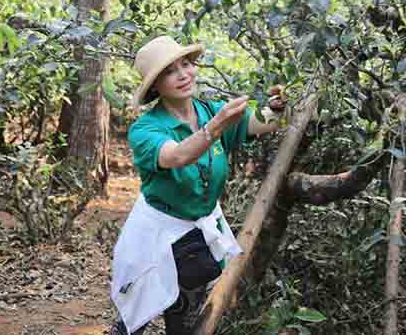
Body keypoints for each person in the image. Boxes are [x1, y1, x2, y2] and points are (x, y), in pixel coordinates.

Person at [110, 36, 285, 335]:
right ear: (155, 86)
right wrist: (217, 125)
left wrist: (278, 108)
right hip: (157, 231)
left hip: (197, 229)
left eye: (186, 64)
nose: (183, 74)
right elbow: (177, 155)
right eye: (169, 71)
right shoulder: (146, 128)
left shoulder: (209, 110)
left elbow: (261, 122)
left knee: (185, 313)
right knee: (136, 314)